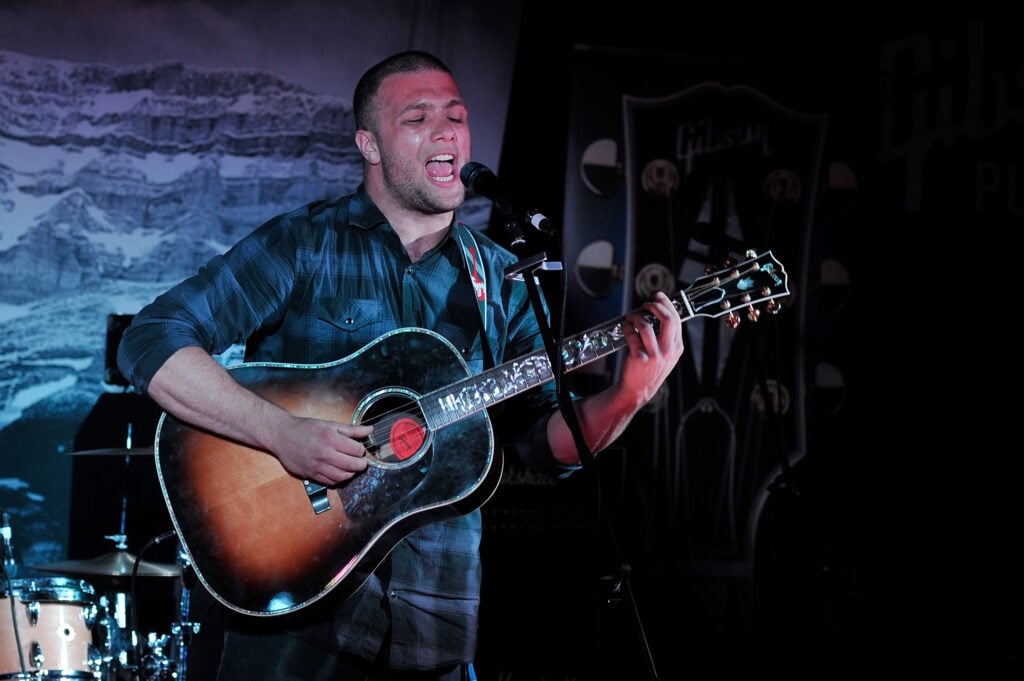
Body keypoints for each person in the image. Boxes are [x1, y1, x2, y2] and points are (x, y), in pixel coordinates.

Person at [117, 50, 683, 681]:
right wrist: (282, 433)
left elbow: (543, 442)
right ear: (370, 144)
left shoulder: (502, 279)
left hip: (436, 616)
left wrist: (628, 395)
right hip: (294, 605)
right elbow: (150, 342)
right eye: (419, 118)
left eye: (457, 116)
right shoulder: (304, 243)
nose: (447, 132)